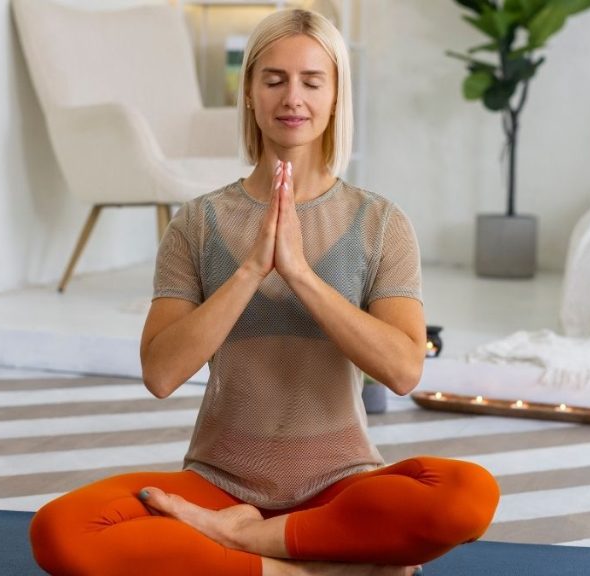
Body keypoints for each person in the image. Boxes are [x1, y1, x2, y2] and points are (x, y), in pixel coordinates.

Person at [29, 8, 499, 576]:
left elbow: (404, 371)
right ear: (249, 92)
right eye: (273, 79)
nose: (291, 97)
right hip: (218, 483)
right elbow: (160, 374)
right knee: (60, 532)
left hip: (341, 484)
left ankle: (252, 541)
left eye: (311, 81)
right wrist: (252, 268)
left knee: (467, 493)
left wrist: (300, 273)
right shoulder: (198, 223)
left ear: (334, 97)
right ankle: (305, 567)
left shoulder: (380, 222)